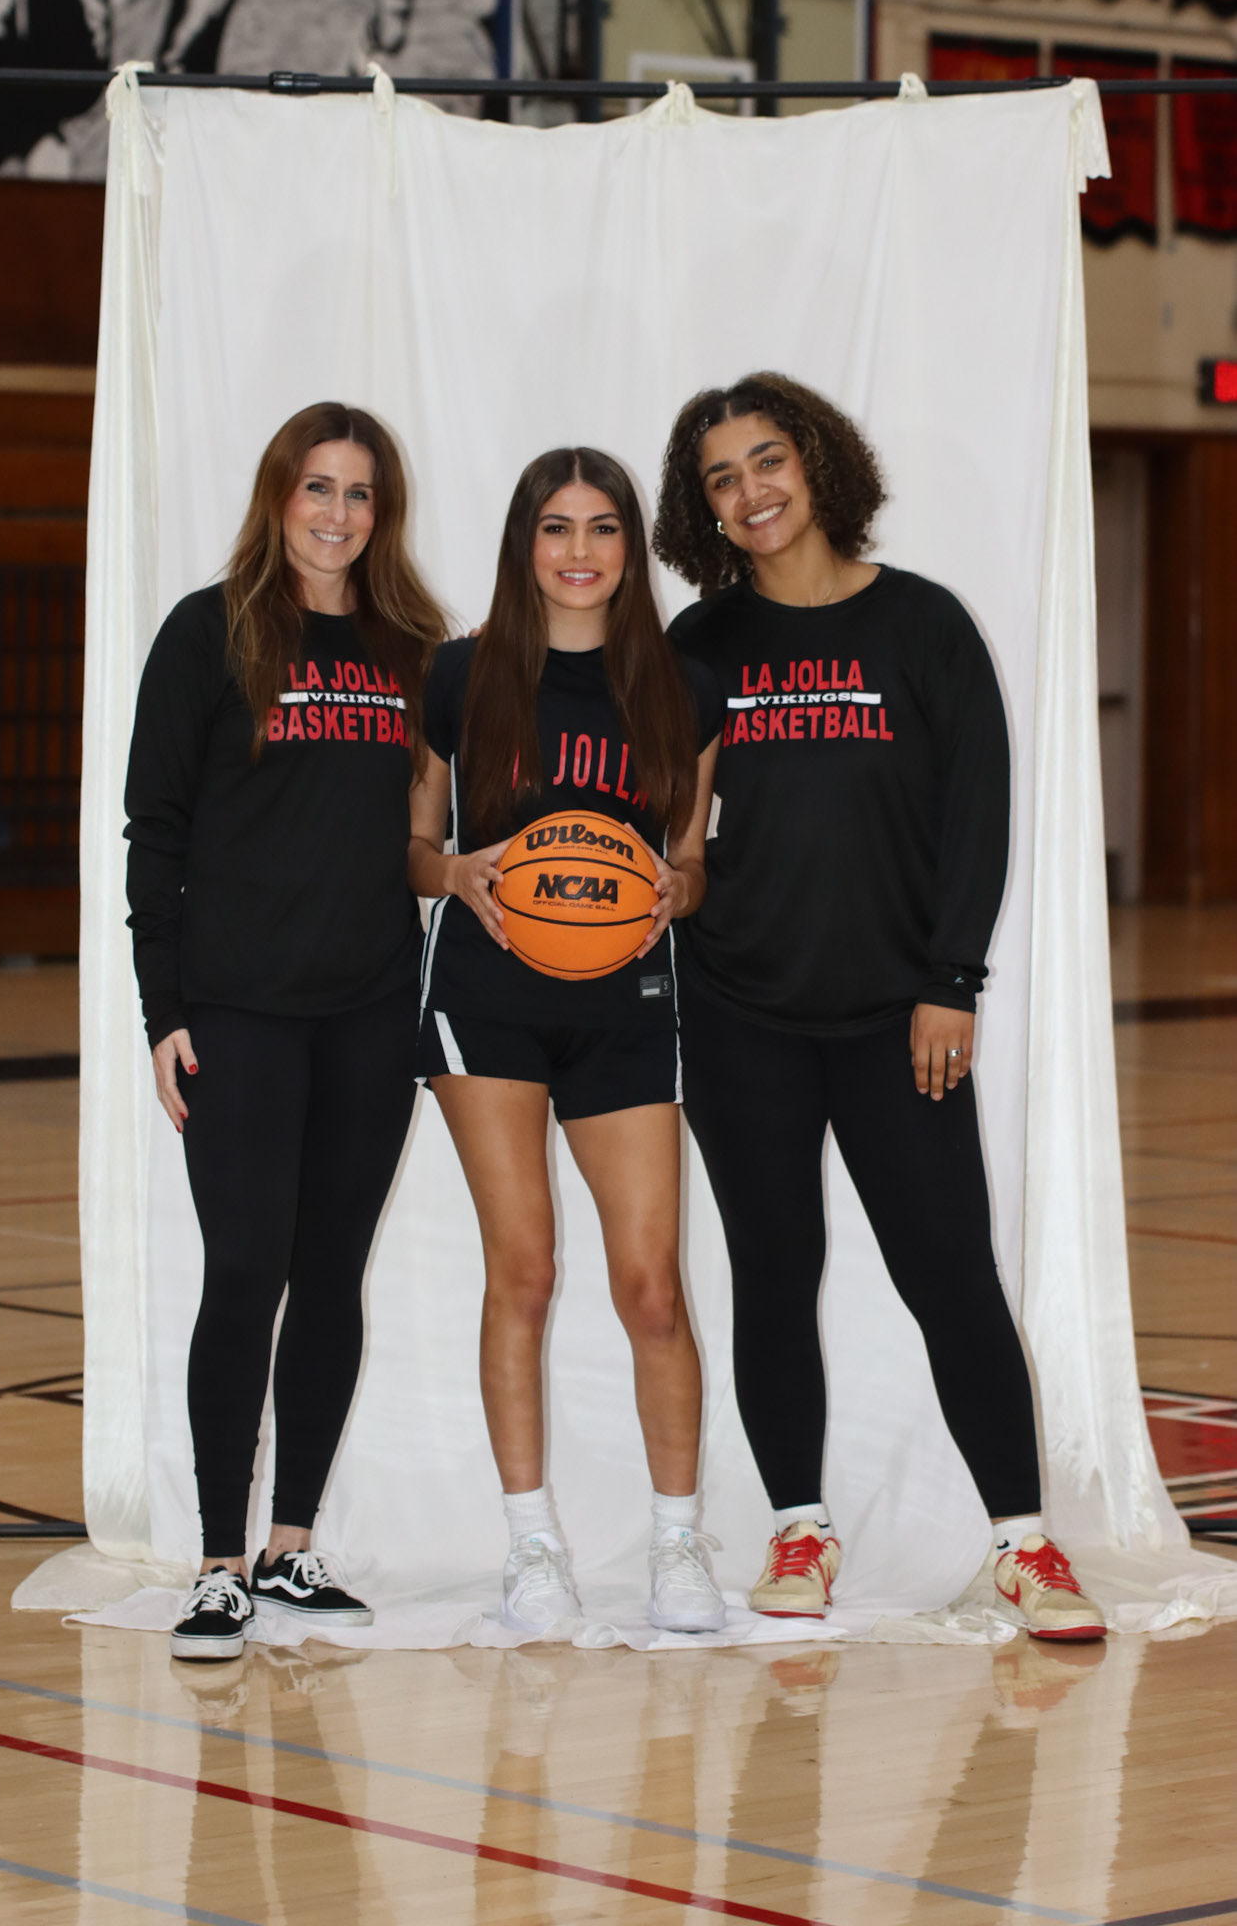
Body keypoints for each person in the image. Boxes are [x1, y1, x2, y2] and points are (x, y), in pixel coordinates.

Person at [654, 373, 1106, 1644]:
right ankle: (799, 1527)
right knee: (773, 1270)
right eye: (721, 478)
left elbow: (977, 815)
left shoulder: (923, 624)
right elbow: (668, 821)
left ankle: (1023, 1541)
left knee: (950, 1271)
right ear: (704, 508)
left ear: (817, 461)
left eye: (768, 459)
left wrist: (949, 983)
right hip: (739, 1011)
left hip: (896, 1019)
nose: (751, 491)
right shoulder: (701, 645)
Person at [124, 401, 447, 1660]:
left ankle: (291, 1544)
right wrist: (164, 1010)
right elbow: (156, 830)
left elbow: (429, 825)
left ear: (382, 512)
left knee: (330, 1275)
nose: (337, 513)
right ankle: (217, 1561)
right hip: (241, 1009)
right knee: (245, 1270)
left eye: (360, 493)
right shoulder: (207, 632)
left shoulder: (412, 648)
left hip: (370, 1007)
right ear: (278, 494)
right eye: (318, 486)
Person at [408, 447, 726, 1635]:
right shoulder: (457, 675)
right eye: (556, 527)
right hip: (484, 996)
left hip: (626, 1002)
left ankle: (679, 1542)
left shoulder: (683, 688)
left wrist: (676, 891)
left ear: (629, 547)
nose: (579, 551)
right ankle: (532, 1545)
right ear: (524, 543)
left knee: (651, 1283)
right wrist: (455, 871)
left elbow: (690, 859)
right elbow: (411, 847)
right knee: (527, 1269)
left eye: (602, 527)